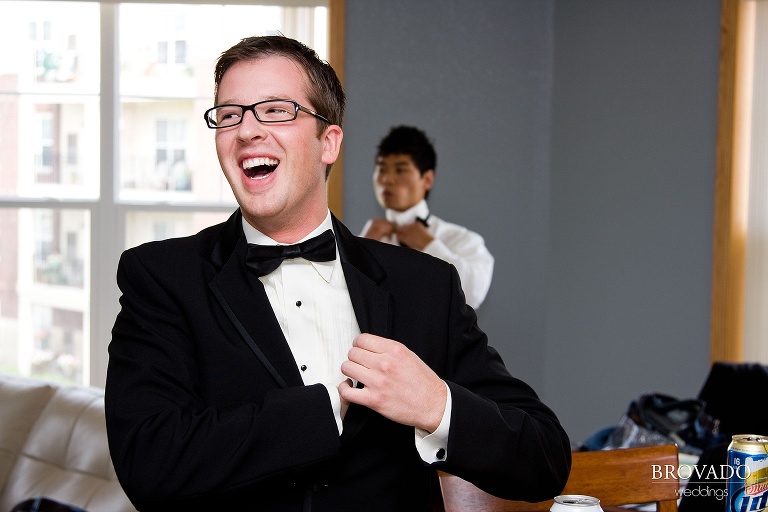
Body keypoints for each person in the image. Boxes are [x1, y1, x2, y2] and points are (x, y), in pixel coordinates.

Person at [104, 35, 571, 512]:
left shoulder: (425, 285)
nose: (246, 131)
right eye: (229, 114)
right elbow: (148, 463)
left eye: (275, 110)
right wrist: (326, 408)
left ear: (328, 143)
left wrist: (436, 406)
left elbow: (545, 458)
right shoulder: (160, 277)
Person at [360, 126, 494, 308]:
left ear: (428, 179)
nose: (387, 179)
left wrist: (430, 246)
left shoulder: (462, 240)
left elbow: (473, 294)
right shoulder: (364, 240)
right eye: (382, 169)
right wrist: (360, 248)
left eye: (400, 170)